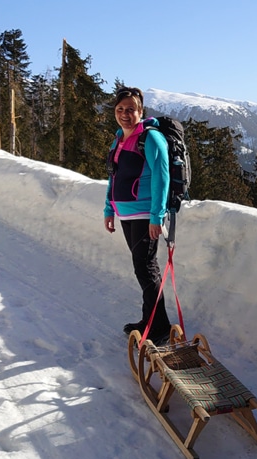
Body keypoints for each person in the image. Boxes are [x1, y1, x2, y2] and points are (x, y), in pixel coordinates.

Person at [103, 87, 171, 345]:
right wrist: (109, 209)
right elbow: (113, 176)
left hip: (145, 213)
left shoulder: (151, 138)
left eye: (130, 109)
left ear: (141, 111)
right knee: (142, 268)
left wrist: (157, 216)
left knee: (146, 267)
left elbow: (162, 178)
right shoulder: (119, 139)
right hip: (126, 214)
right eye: (120, 109)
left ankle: (158, 326)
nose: (125, 114)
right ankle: (152, 321)